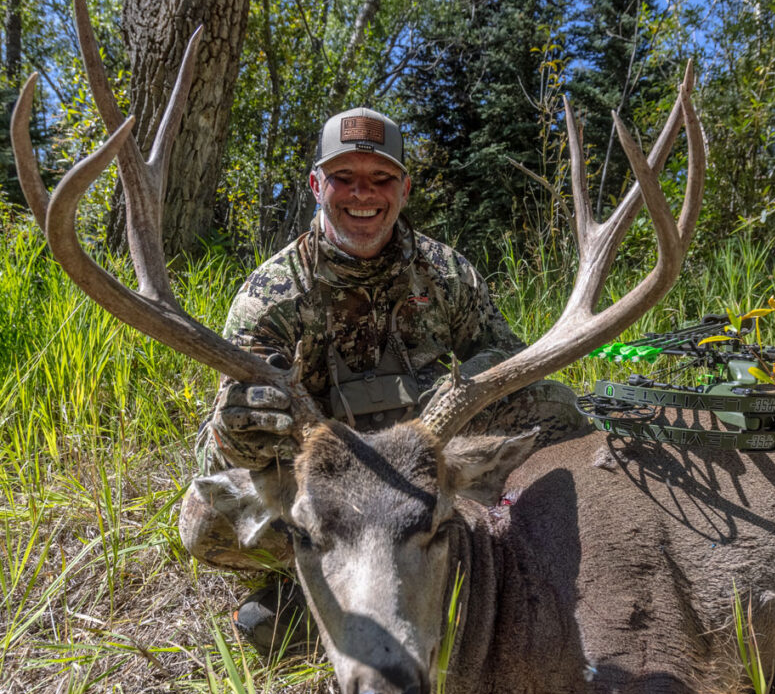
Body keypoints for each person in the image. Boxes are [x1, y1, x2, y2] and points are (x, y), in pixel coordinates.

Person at [179, 107, 582, 652]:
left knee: (555, 408)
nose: (361, 194)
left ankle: (502, 556)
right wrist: (240, 425)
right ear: (318, 183)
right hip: (334, 491)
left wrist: (476, 381)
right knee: (207, 520)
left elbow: (509, 359)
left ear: (404, 187)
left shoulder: (446, 273)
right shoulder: (270, 295)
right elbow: (221, 452)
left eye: (380, 178)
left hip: (425, 468)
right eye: (344, 177)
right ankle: (329, 582)